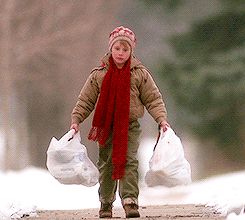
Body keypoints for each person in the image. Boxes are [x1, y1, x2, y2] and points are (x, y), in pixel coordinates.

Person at [70, 26, 168, 218]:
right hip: (106, 126)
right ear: (110, 49)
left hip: (130, 126)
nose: (121, 53)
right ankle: (106, 202)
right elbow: (86, 100)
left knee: (129, 161)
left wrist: (161, 119)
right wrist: (76, 120)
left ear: (131, 51)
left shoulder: (139, 73)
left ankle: (130, 200)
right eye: (117, 49)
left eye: (125, 49)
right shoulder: (99, 73)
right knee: (106, 163)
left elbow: (153, 99)